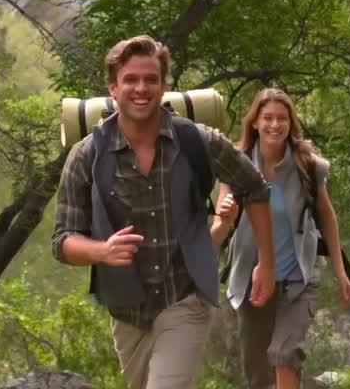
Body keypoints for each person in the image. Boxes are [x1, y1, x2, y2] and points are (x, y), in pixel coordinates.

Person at [52, 35, 277, 389]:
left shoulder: (198, 141)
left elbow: (256, 189)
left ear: (164, 85)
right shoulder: (86, 156)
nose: (141, 88)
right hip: (126, 310)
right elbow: (63, 241)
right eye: (130, 80)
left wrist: (266, 262)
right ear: (113, 88)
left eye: (150, 79)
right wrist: (102, 251)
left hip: (185, 297)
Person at [210, 88, 350, 389]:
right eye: (268, 118)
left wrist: (340, 272)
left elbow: (327, 217)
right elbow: (220, 226)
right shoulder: (235, 165)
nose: (274, 125)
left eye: (281, 118)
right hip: (252, 282)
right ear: (254, 123)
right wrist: (226, 214)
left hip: (298, 279)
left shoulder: (308, 165)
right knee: (258, 374)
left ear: (291, 123)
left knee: (285, 355)